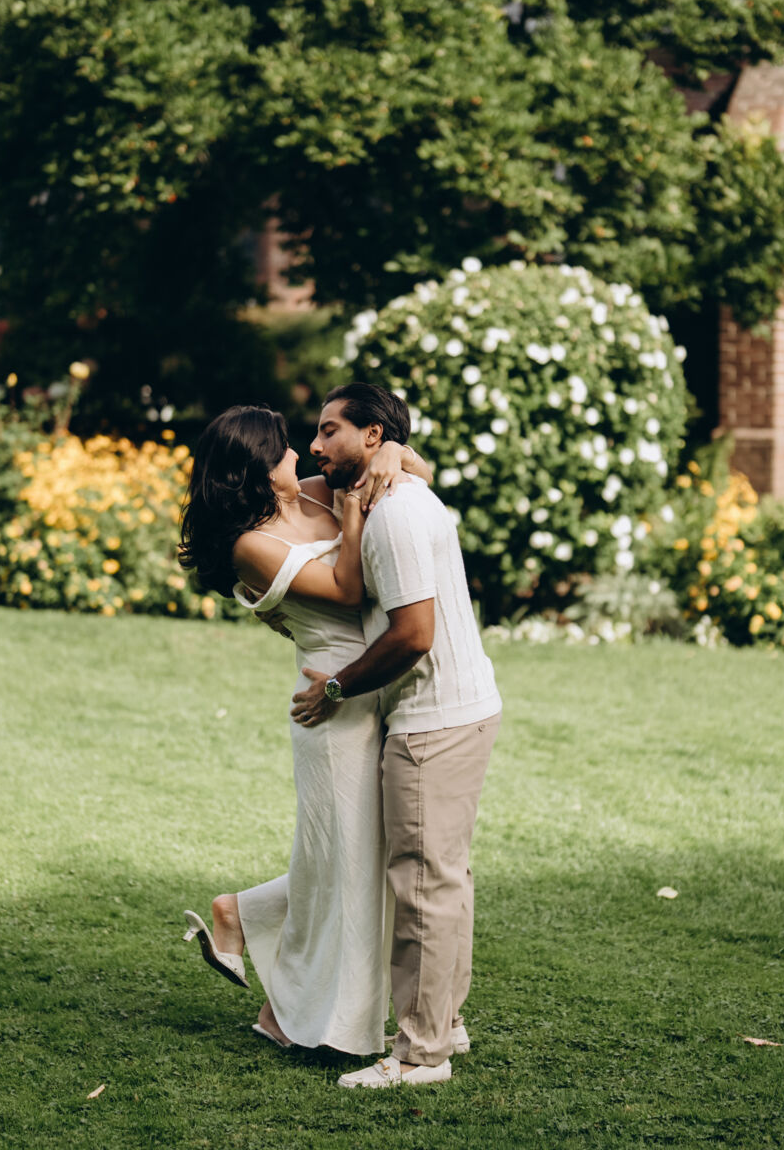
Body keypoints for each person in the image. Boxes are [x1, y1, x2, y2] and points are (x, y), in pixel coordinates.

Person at [174, 404, 431, 1056]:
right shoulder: (250, 544)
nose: (301, 453)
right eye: (284, 448)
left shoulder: (313, 493)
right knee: (349, 865)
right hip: (330, 707)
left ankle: (243, 925)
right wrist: (355, 508)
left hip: (374, 687)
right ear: (259, 467)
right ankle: (295, 1014)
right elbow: (347, 590)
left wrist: (392, 453)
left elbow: (416, 475)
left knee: (359, 861)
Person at [291, 383, 502, 1090]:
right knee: (443, 878)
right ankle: (444, 1023)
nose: (316, 446)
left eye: (330, 430)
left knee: (420, 887)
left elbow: (414, 635)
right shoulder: (394, 492)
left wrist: (336, 687)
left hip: (432, 722)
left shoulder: (395, 515)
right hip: (459, 709)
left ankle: (419, 1055)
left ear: (373, 436)